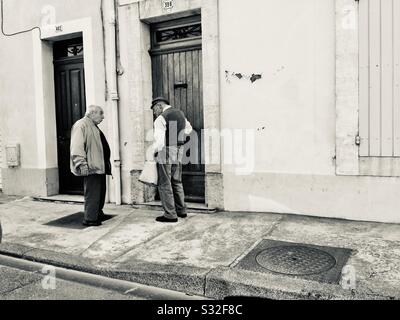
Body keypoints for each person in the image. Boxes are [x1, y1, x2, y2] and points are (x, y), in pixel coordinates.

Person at [151, 97, 193, 223]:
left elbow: (159, 141)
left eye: (154, 109)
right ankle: (181, 210)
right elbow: (189, 129)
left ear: (159, 106)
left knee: (165, 183)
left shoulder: (161, 118)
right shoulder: (180, 114)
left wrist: (154, 152)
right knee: (177, 181)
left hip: (166, 150)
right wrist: (179, 139)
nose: (154, 112)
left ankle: (170, 214)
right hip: (179, 149)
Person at [70, 105, 112, 227]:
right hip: (91, 167)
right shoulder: (81, 125)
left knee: (100, 192)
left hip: (99, 166)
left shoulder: (93, 126)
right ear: (92, 113)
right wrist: (81, 164)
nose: (103, 117)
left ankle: (97, 213)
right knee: (92, 193)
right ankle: (90, 218)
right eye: (101, 113)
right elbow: (77, 147)